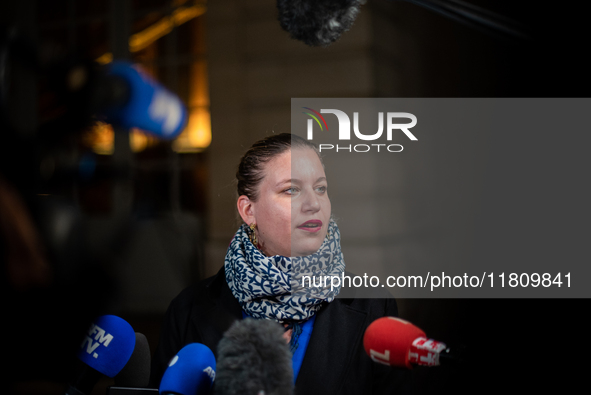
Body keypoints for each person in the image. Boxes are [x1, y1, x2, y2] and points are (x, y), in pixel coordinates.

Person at [150, 133, 411, 394]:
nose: (313, 204)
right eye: (291, 190)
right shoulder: (188, 310)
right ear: (248, 211)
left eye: (320, 188)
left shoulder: (373, 305)